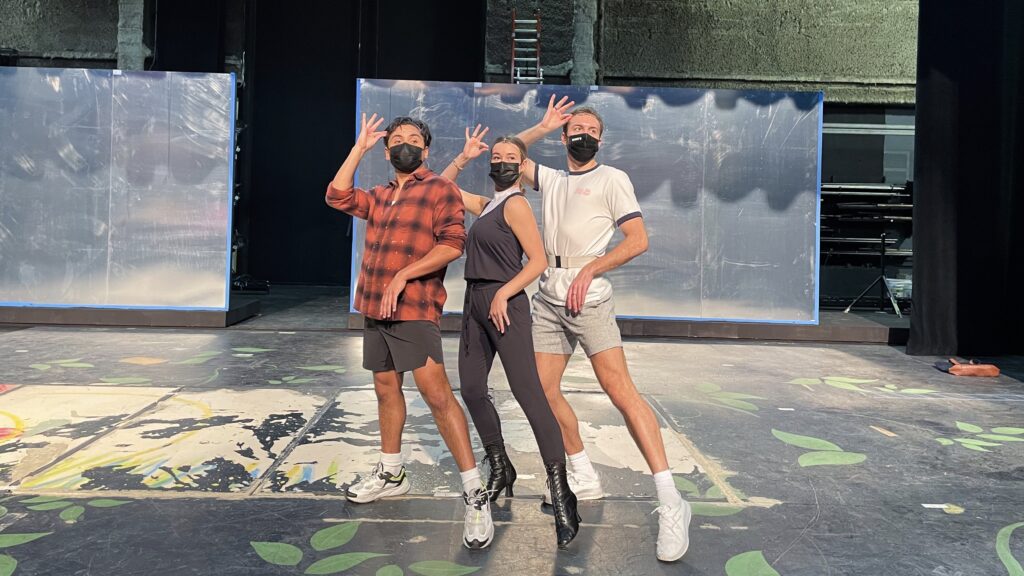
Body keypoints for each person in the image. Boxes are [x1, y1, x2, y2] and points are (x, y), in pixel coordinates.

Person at [515, 95, 693, 562]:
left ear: (601, 138)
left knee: (620, 390)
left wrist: (591, 271)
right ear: (564, 136)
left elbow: (639, 239)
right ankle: (583, 474)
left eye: (592, 129)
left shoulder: (613, 179)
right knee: (542, 391)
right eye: (576, 128)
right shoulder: (550, 178)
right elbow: (510, 154)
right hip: (549, 298)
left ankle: (671, 500)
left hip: (589, 300)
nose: (584, 134)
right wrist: (542, 124)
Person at [325, 113, 494, 549]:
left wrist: (404, 276)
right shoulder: (380, 194)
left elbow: (453, 244)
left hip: (415, 307)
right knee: (385, 388)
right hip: (376, 305)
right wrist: (358, 148)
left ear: (426, 150)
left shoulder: (440, 189)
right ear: (386, 151)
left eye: (413, 139)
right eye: (396, 140)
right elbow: (337, 196)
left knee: (437, 394)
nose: (404, 145)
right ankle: (391, 472)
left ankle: (475, 492)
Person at [440, 126, 580, 549]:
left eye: (509, 157)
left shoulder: (516, 205)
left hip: (507, 305)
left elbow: (537, 260)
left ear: (521, 167)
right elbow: (441, 188)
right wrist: (463, 157)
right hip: (475, 303)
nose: (500, 161)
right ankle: (500, 465)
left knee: (529, 394)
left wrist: (503, 292)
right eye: (496, 156)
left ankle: (562, 491)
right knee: (473, 390)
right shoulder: (487, 206)